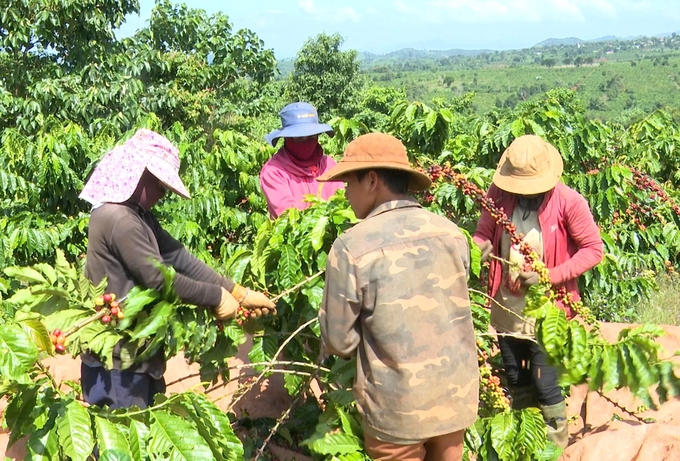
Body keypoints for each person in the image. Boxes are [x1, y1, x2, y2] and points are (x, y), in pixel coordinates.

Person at [78, 128, 276, 410]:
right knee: (123, 444)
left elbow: (178, 258)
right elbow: (158, 279)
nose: (162, 194)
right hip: (118, 364)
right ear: (140, 175)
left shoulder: (138, 216)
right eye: (160, 186)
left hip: (138, 356)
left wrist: (237, 291)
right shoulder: (120, 220)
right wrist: (216, 297)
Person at [316, 133, 479, 461]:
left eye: (348, 183)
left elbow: (339, 342)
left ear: (372, 181)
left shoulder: (351, 246)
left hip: (397, 410)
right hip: (456, 397)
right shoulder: (451, 233)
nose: (345, 193)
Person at [473, 134, 604, 449]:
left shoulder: (568, 202)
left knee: (545, 385)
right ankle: (524, 445)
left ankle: (554, 448)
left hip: (548, 313)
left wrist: (550, 276)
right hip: (507, 310)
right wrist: (481, 250)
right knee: (517, 381)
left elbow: (593, 250)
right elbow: (482, 234)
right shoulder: (499, 194)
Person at [260, 102, 344, 218]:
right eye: (299, 138)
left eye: (312, 136)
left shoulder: (329, 165)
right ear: (286, 138)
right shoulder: (274, 172)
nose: (306, 143)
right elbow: (289, 216)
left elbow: (342, 203)